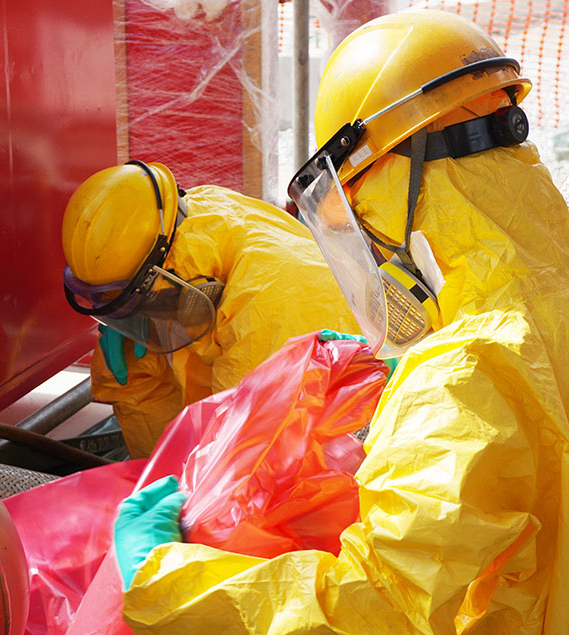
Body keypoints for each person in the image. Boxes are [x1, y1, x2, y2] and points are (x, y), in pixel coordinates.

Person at [113, 10, 569, 635]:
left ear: (394, 179)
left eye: (356, 209)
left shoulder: (464, 378)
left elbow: (375, 612)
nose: (366, 236)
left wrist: (164, 577)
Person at [61, 161, 360, 457]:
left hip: (325, 443)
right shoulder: (195, 221)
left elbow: (234, 461)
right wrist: (132, 316)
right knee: (135, 366)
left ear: (161, 274)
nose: (127, 316)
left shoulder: (266, 310)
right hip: (264, 362)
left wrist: (179, 492)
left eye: (128, 299)